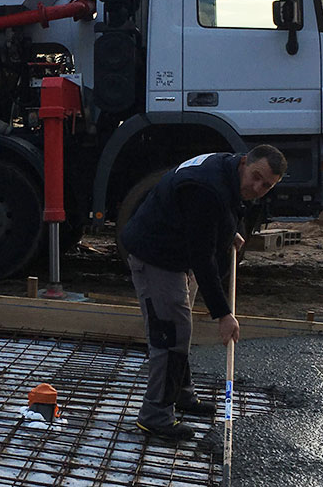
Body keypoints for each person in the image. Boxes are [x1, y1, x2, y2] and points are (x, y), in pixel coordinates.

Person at [121, 144, 286, 440]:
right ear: (245, 162)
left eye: (267, 185)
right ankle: (155, 416)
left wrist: (228, 231)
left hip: (174, 247)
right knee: (170, 333)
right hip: (155, 254)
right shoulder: (206, 187)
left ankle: (181, 394)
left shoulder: (226, 168)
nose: (258, 187)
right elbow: (202, 257)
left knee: (180, 328)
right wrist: (223, 314)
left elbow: (223, 208)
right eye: (257, 177)